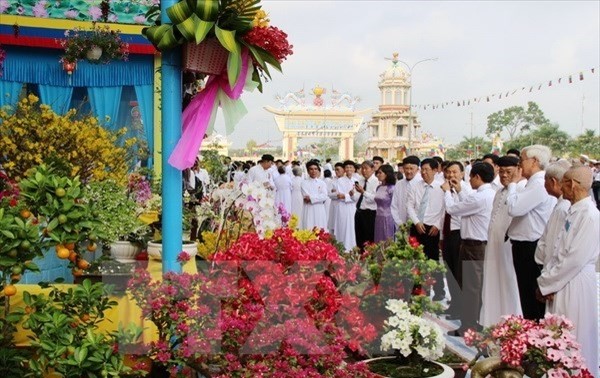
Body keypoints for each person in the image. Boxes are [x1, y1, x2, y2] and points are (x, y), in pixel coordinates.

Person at [537, 166, 599, 378]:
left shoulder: (590, 215)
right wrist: (548, 281)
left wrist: (546, 283)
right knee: (557, 332)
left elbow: (574, 259)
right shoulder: (573, 211)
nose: (561, 187)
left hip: (575, 281)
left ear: (572, 184)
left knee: (574, 333)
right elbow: (557, 249)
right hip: (561, 280)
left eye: (563, 182)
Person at [443, 162, 496, 335]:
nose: (469, 180)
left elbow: (453, 209)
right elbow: (466, 203)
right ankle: (474, 321)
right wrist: (458, 191)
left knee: (470, 288)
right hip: (475, 245)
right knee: (473, 286)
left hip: (474, 246)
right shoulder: (486, 193)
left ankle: (469, 325)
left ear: (477, 177)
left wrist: (446, 192)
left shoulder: (480, 197)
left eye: (470, 176)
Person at [506, 145, 556, 320]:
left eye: (522, 160)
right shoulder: (532, 183)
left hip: (530, 246)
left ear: (534, 161)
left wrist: (512, 185)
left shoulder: (539, 183)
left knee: (531, 297)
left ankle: (535, 336)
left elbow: (514, 208)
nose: (519, 164)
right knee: (526, 295)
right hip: (524, 245)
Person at [479, 156, 524, 327]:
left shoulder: (520, 190)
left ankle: (513, 323)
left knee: (509, 284)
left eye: (509, 172)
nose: (504, 175)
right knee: (492, 282)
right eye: (502, 171)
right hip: (493, 245)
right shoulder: (498, 191)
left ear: (517, 171)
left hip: (508, 247)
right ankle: (492, 321)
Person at [407, 158, 445, 300]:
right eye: (422, 169)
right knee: (416, 259)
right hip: (417, 225)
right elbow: (409, 205)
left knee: (433, 260)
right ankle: (419, 288)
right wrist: (416, 222)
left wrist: (437, 224)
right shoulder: (415, 186)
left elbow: (445, 208)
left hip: (432, 228)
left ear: (435, 170)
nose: (423, 173)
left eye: (426, 170)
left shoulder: (441, 187)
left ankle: (439, 290)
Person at [440, 161, 471, 320]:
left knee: (459, 274)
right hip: (448, 233)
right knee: (450, 271)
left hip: (460, 233)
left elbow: (457, 209)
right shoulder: (446, 188)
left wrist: (450, 192)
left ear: (462, 173)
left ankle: (461, 308)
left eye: (454, 172)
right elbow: (443, 213)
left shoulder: (465, 190)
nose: (451, 175)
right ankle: (454, 304)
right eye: (448, 172)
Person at [534, 160, 572, 266]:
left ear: (553, 182)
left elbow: (553, 243)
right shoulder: (561, 204)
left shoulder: (562, 208)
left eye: (545, 180)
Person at [391, 156, 422, 228]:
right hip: (401, 225)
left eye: (411, 168)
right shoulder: (399, 184)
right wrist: (399, 223)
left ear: (417, 169)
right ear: (403, 169)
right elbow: (394, 205)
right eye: (406, 168)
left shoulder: (421, 183)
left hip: (418, 225)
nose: (408, 171)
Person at [354, 160, 379, 250]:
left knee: (368, 237)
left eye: (366, 168)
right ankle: (360, 256)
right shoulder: (360, 180)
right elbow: (356, 198)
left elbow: (376, 199)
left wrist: (363, 192)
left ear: (372, 169)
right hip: (359, 211)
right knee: (359, 236)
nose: (364, 171)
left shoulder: (376, 182)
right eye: (362, 168)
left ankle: (369, 256)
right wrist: (352, 194)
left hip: (370, 213)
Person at [334, 160, 358, 251]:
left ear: (354, 169)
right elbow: (340, 195)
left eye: (351, 167)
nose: (349, 169)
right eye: (347, 167)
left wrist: (347, 196)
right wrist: (349, 196)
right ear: (344, 169)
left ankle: (352, 247)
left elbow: (356, 196)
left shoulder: (357, 180)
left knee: (352, 227)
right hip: (342, 206)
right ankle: (342, 247)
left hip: (353, 207)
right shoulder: (340, 180)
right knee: (342, 226)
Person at [300, 161, 328, 230]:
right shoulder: (304, 183)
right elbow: (306, 197)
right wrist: (318, 197)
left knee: (320, 229)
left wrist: (311, 198)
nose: (313, 171)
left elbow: (324, 196)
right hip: (309, 209)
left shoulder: (322, 183)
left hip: (320, 209)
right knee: (309, 228)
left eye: (315, 169)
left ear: (318, 170)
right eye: (311, 169)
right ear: (308, 171)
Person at [374, 164, 397, 242]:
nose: (378, 175)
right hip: (378, 217)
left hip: (388, 217)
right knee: (378, 239)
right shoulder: (379, 187)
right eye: (378, 173)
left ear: (387, 174)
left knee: (387, 239)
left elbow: (395, 205)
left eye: (380, 173)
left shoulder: (392, 188)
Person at [327, 163, 344, 233]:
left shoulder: (347, 180)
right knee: (333, 226)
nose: (336, 171)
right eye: (335, 170)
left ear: (343, 170)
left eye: (338, 170)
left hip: (344, 206)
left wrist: (336, 191)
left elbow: (349, 194)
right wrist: (338, 194)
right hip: (334, 205)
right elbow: (329, 194)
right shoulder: (332, 181)